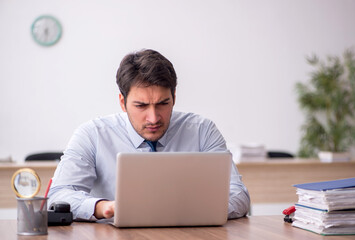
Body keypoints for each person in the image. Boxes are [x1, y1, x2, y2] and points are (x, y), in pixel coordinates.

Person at [48, 49, 250, 221]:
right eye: (141, 106)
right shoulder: (92, 134)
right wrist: (105, 208)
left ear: (174, 97)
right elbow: (58, 195)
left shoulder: (202, 130)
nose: (153, 118)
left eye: (163, 103)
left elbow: (239, 195)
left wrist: (190, 211)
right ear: (122, 102)